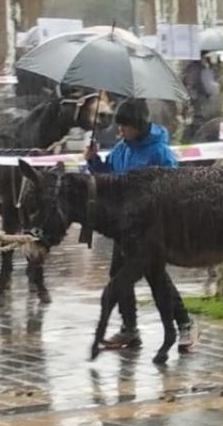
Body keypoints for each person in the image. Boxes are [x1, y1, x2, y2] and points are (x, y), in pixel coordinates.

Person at [83, 98, 196, 352]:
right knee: (118, 277)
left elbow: (173, 188)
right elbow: (108, 175)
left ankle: (185, 324)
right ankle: (129, 329)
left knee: (157, 278)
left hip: (150, 230)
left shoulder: (160, 153)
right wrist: (93, 161)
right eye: (118, 126)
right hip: (124, 229)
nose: (119, 131)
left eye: (124, 126)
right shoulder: (122, 149)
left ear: (139, 125)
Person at [181, 50, 222, 142]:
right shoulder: (203, 69)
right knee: (199, 123)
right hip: (200, 100)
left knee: (194, 123)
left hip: (193, 99)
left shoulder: (191, 67)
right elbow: (210, 88)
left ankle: (187, 141)